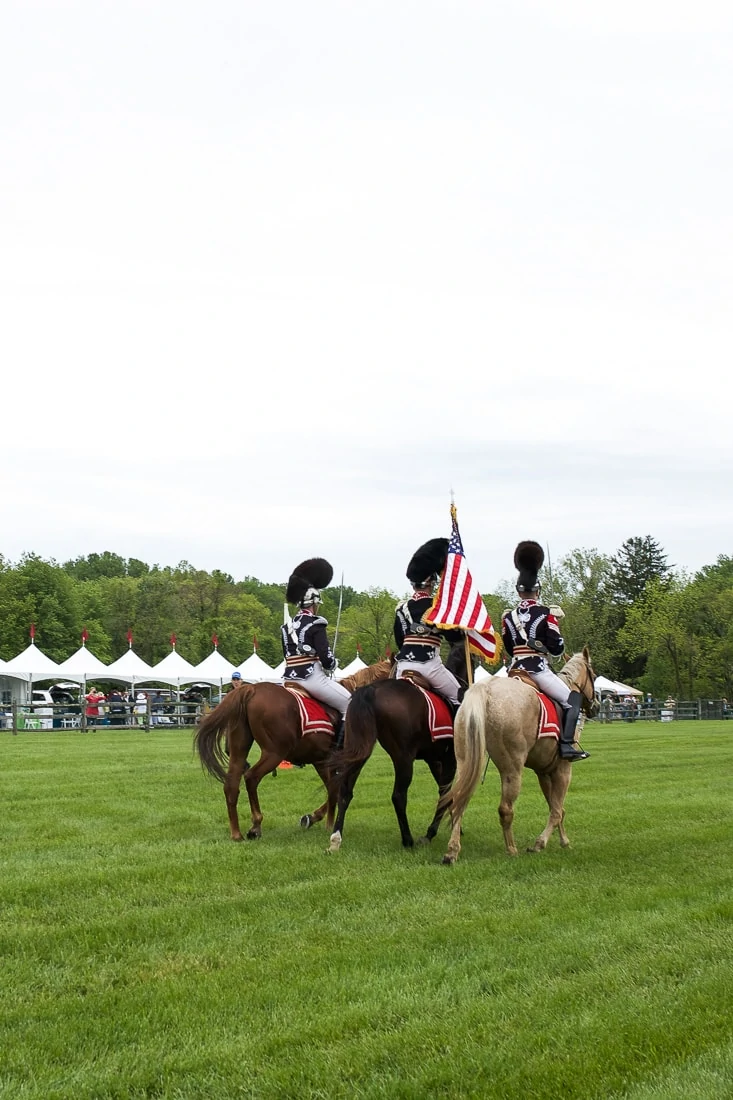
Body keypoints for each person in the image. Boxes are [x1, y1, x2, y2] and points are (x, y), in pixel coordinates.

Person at [502, 540, 590, 762]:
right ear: (537, 591)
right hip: (537, 670)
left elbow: (508, 647)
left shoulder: (508, 617)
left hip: (514, 670)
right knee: (572, 701)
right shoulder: (546, 613)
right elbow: (557, 647)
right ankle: (568, 745)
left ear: (518, 591)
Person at [281, 557, 350, 745]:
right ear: (314, 602)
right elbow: (326, 659)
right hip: (310, 678)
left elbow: (287, 654)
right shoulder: (316, 623)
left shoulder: (286, 627)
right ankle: (338, 749)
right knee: (349, 704)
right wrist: (333, 663)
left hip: (289, 679)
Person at [393, 538, 464, 706]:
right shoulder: (438, 607)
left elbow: (399, 640)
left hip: (402, 667)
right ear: (432, 582)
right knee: (460, 698)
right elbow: (453, 638)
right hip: (429, 666)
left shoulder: (401, 608)